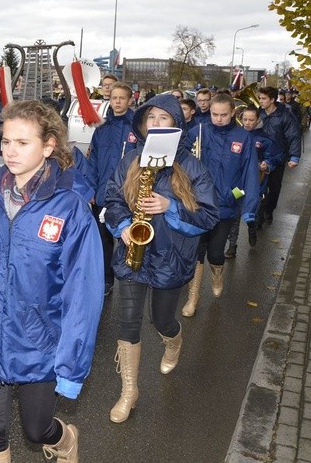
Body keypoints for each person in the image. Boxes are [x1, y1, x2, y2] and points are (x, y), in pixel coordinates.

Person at [0, 99, 104, 463]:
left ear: (48, 146)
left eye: (23, 143)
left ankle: (65, 441)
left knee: (36, 431)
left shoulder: (70, 209)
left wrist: (71, 367)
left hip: (40, 342)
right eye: (6, 142)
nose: (10, 151)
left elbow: (83, 297)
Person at [104, 94, 219, 423]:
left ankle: (174, 341)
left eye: (163, 117)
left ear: (176, 125)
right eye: (150, 117)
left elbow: (210, 216)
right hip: (131, 255)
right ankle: (129, 391)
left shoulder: (192, 166)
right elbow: (112, 197)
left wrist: (172, 208)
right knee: (127, 324)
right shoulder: (132, 159)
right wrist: (124, 225)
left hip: (170, 258)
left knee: (161, 321)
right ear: (142, 124)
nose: (155, 123)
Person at [182, 93, 259, 317]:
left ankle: (217, 272)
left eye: (223, 114)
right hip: (198, 204)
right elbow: (179, 155)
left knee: (216, 253)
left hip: (225, 208)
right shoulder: (199, 131)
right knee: (196, 252)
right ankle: (193, 297)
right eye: (214, 114)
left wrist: (240, 200)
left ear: (233, 112)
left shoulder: (243, 138)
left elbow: (250, 175)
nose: (218, 118)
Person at [87, 81, 137, 296]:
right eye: (114, 98)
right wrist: (90, 189)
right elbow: (93, 160)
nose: (117, 102)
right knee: (103, 240)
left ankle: (129, 277)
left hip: (127, 194)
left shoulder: (137, 126)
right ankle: (106, 280)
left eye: (121, 98)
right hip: (103, 192)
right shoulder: (102, 127)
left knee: (126, 237)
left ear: (130, 100)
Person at [224, 107, 282, 257]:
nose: (248, 123)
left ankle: (251, 227)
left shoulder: (265, 139)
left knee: (251, 211)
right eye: (245, 120)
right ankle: (232, 245)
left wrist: (267, 163)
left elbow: (276, 156)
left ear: (258, 120)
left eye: (251, 120)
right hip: (238, 184)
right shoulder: (234, 135)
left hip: (255, 183)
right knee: (235, 212)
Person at [257, 86, 301, 224]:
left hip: (278, 157)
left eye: (263, 98)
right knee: (257, 187)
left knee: (274, 188)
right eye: (260, 98)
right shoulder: (259, 113)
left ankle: (269, 210)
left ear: (272, 99)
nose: (260, 101)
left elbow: (293, 135)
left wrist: (294, 156)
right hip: (259, 156)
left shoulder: (285, 115)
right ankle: (258, 216)